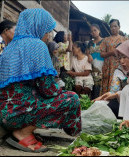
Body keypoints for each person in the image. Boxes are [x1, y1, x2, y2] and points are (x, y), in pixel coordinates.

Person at [0, 8, 81, 152]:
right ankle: (22, 132)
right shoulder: (37, 46)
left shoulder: (9, 47)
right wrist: (61, 91)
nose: (49, 35)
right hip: (18, 114)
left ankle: (24, 129)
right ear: (37, 26)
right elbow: (48, 90)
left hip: (5, 114)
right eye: (47, 30)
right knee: (72, 98)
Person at [100, 19, 127, 95]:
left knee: (120, 86)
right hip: (108, 67)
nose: (113, 28)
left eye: (115, 26)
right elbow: (102, 54)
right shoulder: (106, 40)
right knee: (107, 87)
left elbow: (128, 54)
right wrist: (111, 52)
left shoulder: (124, 40)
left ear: (119, 27)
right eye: (111, 27)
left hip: (120, 66)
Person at [86, 24, 104, 99]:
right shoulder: (90, 43)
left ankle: (97, 102)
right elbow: (87, 51)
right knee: (91, 85)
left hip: (101, 66)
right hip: (92, 66)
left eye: (95, 30)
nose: (93, 32)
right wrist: (88, 55)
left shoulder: (104, 41)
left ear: (99, 31)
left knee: (99, 86)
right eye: (91, 31)